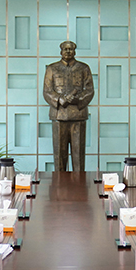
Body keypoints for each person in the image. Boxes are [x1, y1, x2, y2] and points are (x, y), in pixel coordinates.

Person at [42, 40, 95, 172]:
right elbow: (47, 91)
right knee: (59, 156)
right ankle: (59, 183)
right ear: (61, 51)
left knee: (78, 156)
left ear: (74, 51)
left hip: (78, 115)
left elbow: (89, 90)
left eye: (70, 49)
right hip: (59, 115)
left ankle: (80, 183)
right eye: (65, 49)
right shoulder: (52, 68)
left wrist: (77, 99)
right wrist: (60, 99)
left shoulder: (83, 68)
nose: (68, 51)